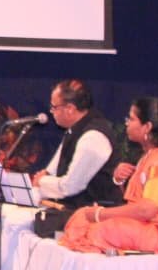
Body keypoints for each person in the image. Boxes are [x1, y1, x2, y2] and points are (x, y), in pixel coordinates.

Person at [59, 96, 158, 254]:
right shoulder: (147, 157)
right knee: (81, 216)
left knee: (104, 229)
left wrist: (101, 214)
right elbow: (136, 202)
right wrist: (120, 181)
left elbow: (147, 210)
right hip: (144, 226)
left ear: (147, 127)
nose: (127, 123)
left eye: (131, 119)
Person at [31, 78, 121, 210]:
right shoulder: (74, 130)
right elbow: (51, 171)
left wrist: (41, 181)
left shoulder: (93, 137)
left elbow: (70, 186)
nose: (51, 112)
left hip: (92, 213)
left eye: (54, 107)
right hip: (71, 208)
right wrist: (44, 178)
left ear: (70, 109)